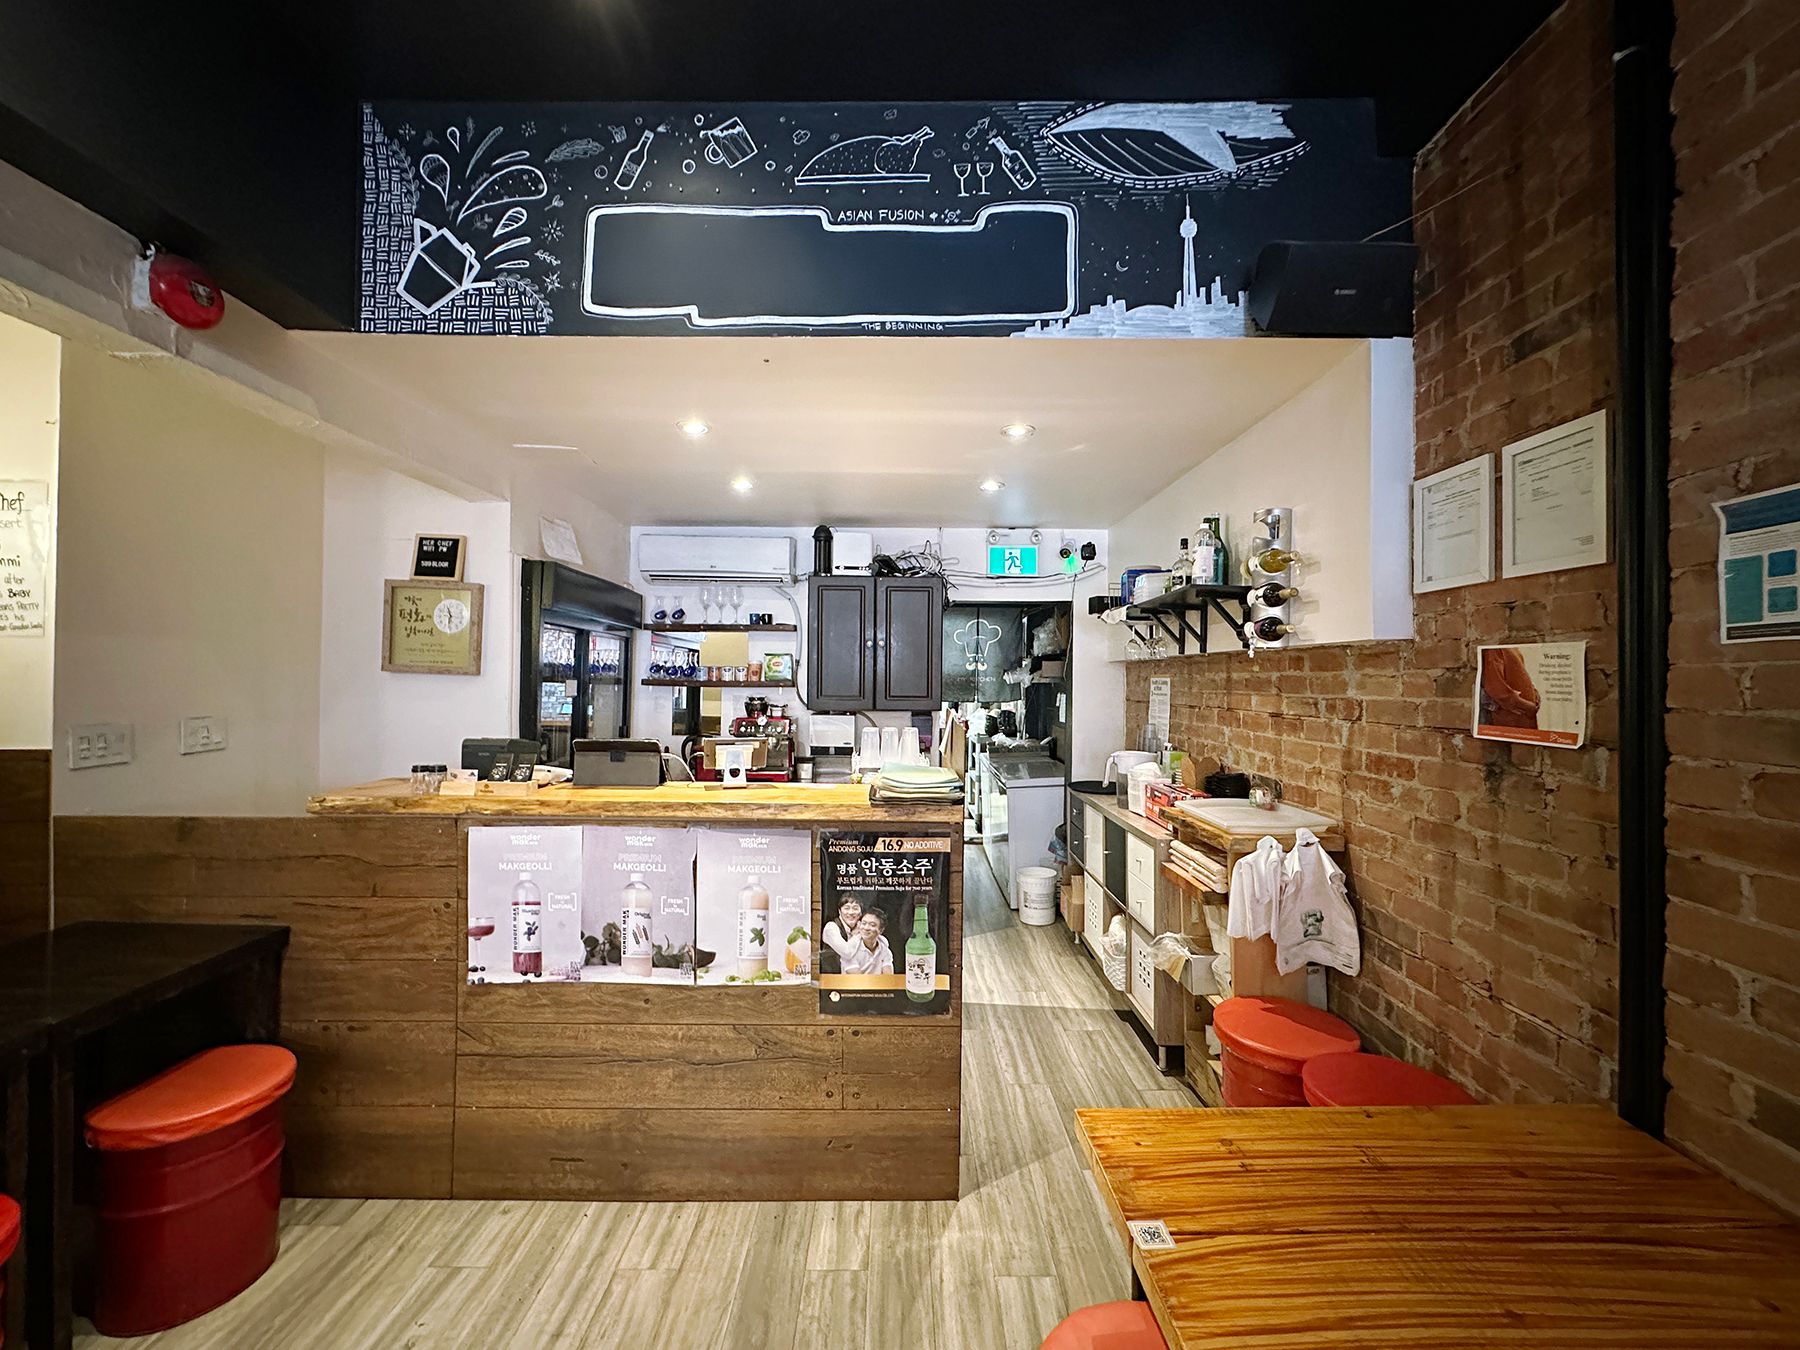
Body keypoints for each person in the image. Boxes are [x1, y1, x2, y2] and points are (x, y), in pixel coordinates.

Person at [840, 910, 894, 976]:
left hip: (878, 982)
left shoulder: (884, 949)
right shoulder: (849, 949)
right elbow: (857, 978)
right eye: (864, 923)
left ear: (881, 930)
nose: (866, 928)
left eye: (872, 925)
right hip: (853, 982)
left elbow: (888, 976)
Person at [822, 897, 863, 974]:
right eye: (847, 908)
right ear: (839, 911)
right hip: (832, 979)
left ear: (860, 913)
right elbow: (847, 952)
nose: (851, 912)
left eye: (855, 908)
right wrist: (856, 934)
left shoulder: (862, 929)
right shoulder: (831, 927)